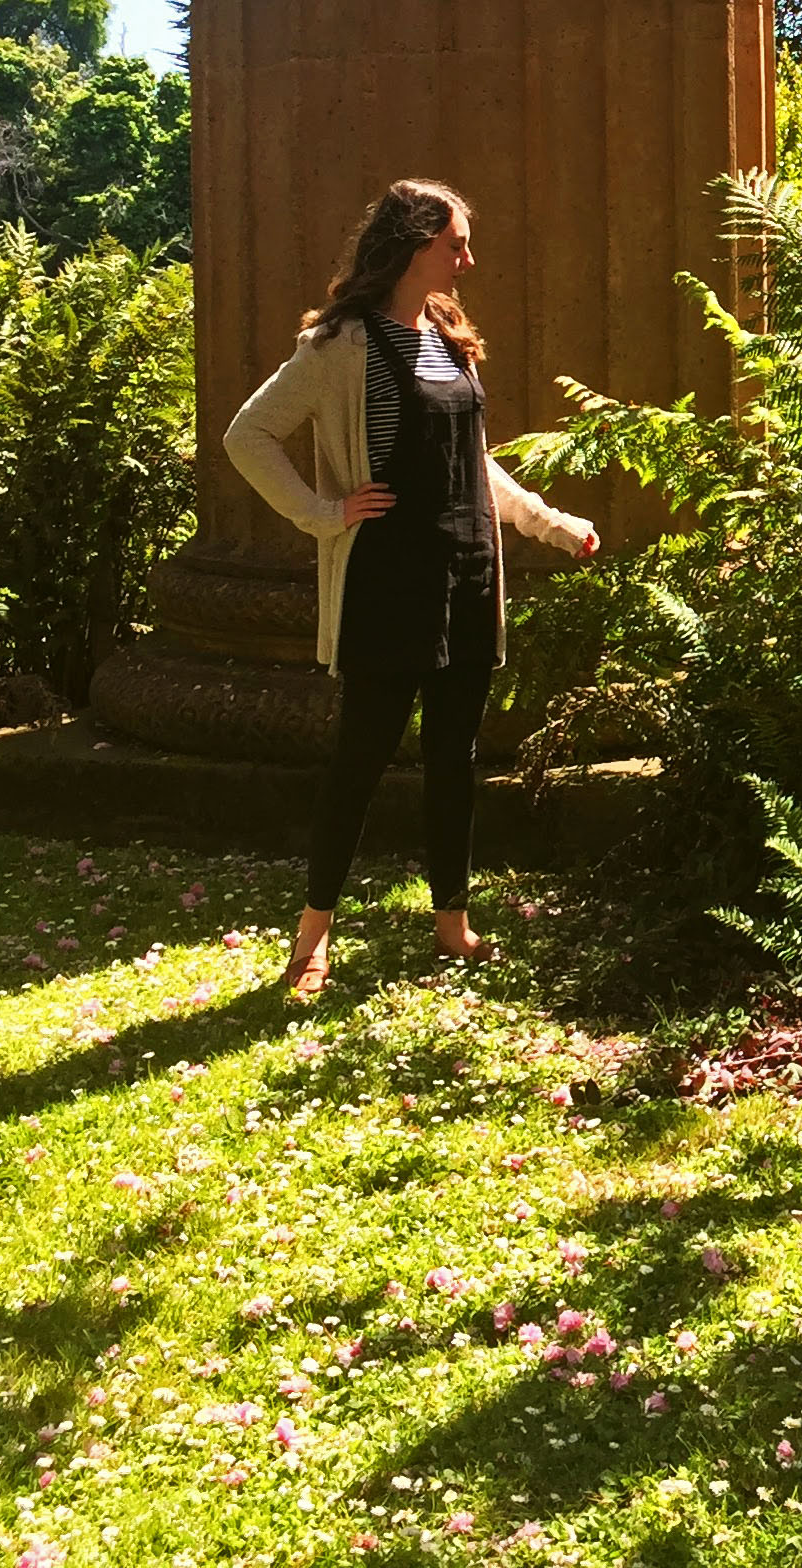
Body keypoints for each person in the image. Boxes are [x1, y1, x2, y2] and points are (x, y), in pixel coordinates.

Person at [224, 178, 597, 995]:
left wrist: (548, 523)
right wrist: (324, 513)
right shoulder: (340, 347)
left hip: (469, 569)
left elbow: (475, 464)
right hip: (387, 579)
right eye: (455, 242)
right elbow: (246, 435)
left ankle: (453, 926)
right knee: (360, 756)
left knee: (453, 758)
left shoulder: (448, 336)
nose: (469, 258)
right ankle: (312, 938)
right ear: (412, 243)